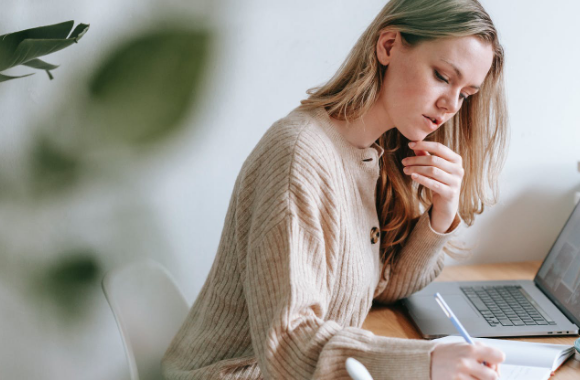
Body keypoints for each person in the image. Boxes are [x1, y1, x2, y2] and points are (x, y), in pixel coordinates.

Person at [162, 0, 509, 378]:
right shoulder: (299, 155)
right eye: (442, 76)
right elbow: (288, 344)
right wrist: (422, 362)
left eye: (466, 93)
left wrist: (441, 216)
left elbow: (383, 288)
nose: (450, 104)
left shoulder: (371, 154)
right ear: (388, 46)